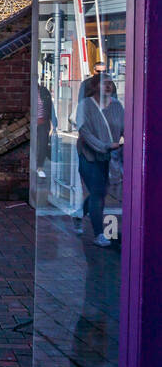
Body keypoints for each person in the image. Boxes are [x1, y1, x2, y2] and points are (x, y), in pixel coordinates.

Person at [76, 74, 124, 248]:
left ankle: (79, 213)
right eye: (104, 84)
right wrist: (104, 146)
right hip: (89, 156)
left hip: (109, 157)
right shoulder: (85, 106)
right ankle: (98, 234)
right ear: (95, 86)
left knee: (99, 192)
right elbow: (85, 132)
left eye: (111, 84)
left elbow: (125, 128)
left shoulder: (117, 106)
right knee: (99, 193)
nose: (108, 87)